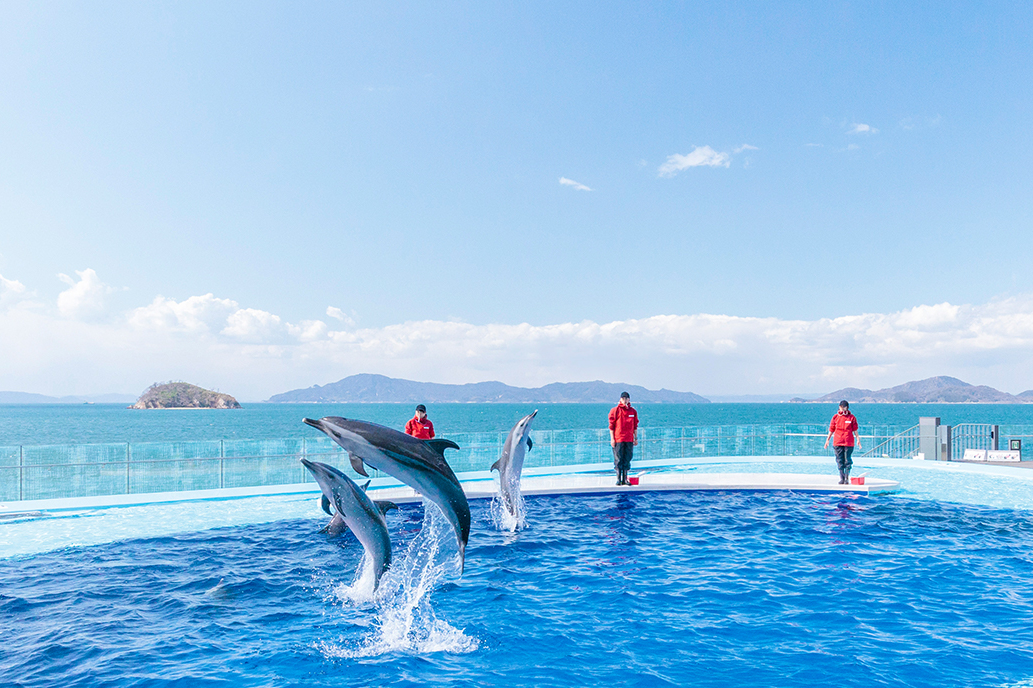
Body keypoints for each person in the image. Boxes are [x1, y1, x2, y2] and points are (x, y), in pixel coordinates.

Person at [824, 400, 861, 484]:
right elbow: (831, 429)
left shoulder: (851, 417)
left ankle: (847, 478)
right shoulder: (835, 417)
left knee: (847, 460)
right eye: (840, 407)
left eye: (843, 407)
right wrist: (827, 440)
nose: (841, 409)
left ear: (847, 407)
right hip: (838, 442)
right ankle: (842, 477)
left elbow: (855, 430)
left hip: (848, 442)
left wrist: (858, 439)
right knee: (839, 460)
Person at [608, 391, 639, 486]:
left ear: (629, 399)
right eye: (623, 398)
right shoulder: (615, 410)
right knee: (618, 459)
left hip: (629, 439)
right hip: (618, 439)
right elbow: (611, 426)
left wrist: (636, 438)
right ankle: (618, 479)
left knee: (627, 458)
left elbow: (635, 426)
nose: (625, 400)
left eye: (626, 398)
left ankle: (625, 479)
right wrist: (612, 439)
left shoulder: (632, 411)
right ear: (620, 399)